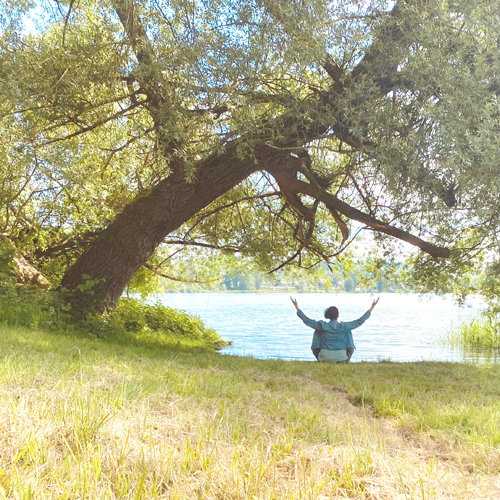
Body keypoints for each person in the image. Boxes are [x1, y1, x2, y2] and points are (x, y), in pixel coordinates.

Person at [290, 296, 379, 362]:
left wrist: (296, 307)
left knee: (317, 330)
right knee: (348, 331)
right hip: (341, 359)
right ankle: (345, 359)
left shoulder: (321, 325)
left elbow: (306, 320)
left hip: (324, 358)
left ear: (328, 316)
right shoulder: (344, 326)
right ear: (338, 315)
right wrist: (372, 307)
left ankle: (321, 358)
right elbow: (359, 321)